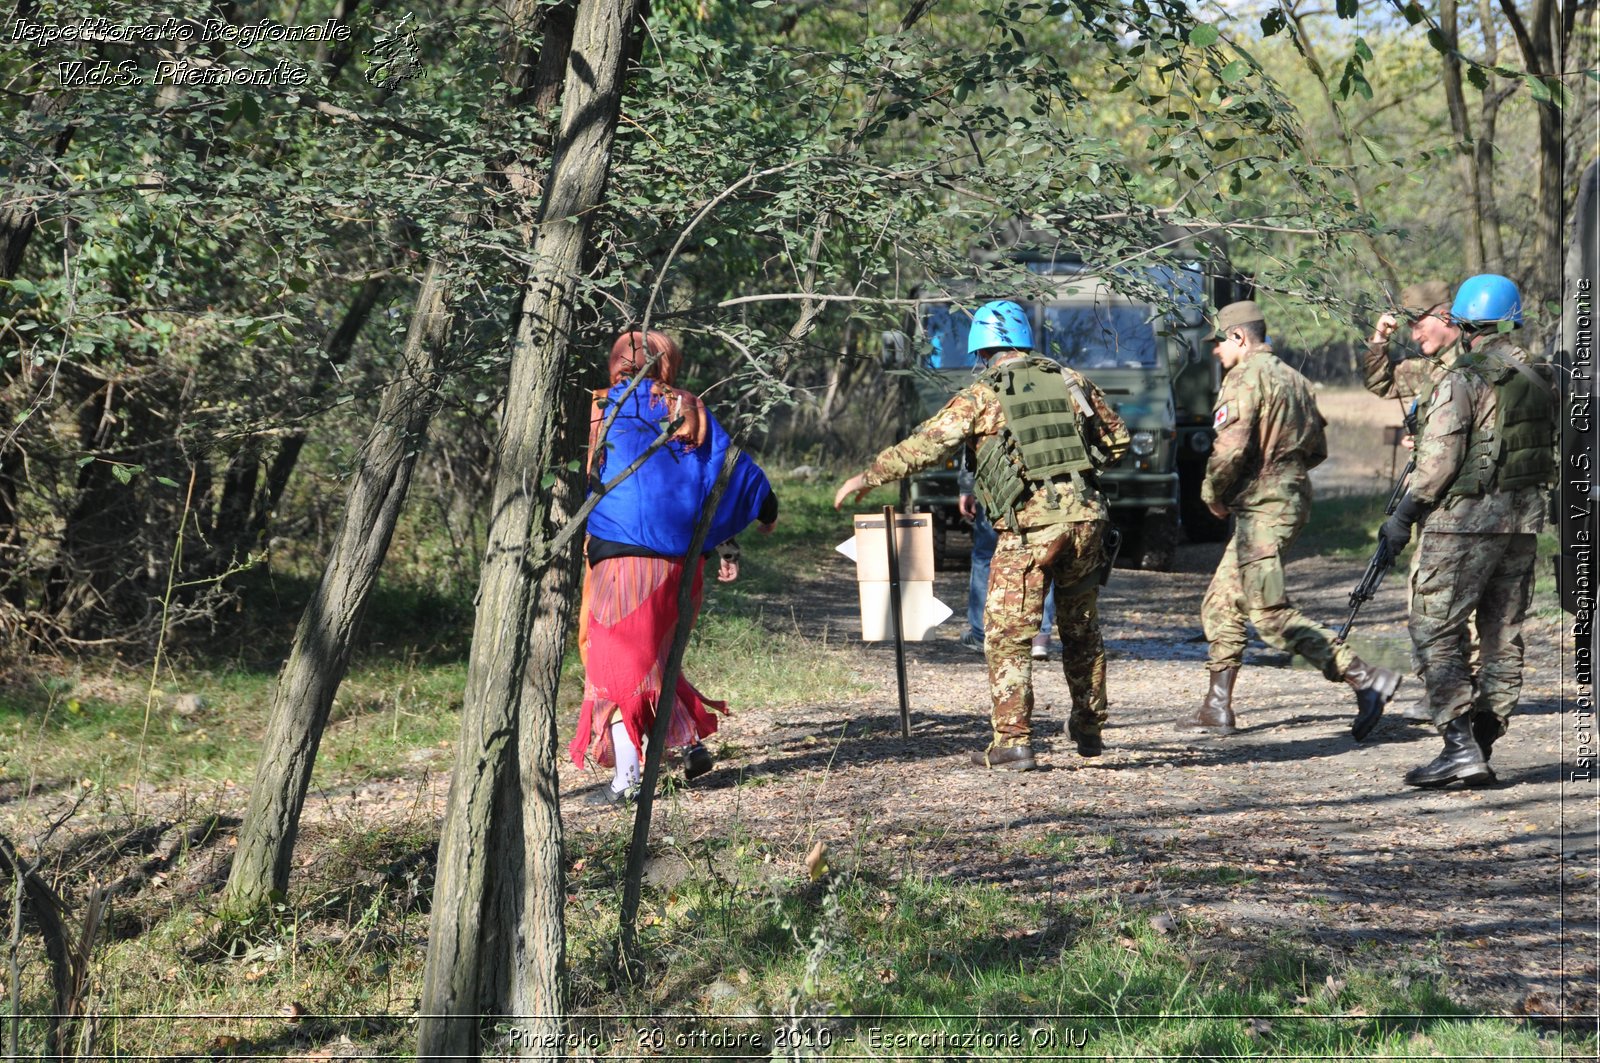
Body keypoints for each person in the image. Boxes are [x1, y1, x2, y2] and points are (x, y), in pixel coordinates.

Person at [835, 300, 1128, 771]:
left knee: (1008, 634)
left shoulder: (981, 395)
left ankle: (1013, 742)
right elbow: (1117, 442)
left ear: (981, 349)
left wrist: (867, 477)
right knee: (1081, 628)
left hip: (1029, 530)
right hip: (1088, 522)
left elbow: (926, 445)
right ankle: (1089, 726)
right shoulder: (1073, 380)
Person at [571, 330, 777, 804]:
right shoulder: (687, 409)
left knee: (615, 665)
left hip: (621, 562)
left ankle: (626, 782)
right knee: (654, 659)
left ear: (616, 362)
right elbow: (722, 474)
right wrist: (740, 531)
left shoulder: (603, 409)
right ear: (668, 363)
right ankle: (688, 742)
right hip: (679, 568)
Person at [1178, 301, 1401, 739]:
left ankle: (1364, 675)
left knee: (1266, 612)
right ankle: (1216, 707)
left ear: (1239, 337)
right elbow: (1317, 448)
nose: (1216, 352)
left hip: (1264, 505)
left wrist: (1213, 494)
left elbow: (1230, 449)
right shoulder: (1295, 378)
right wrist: (1284, 474)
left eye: (1220, 342)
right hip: (1286, 498)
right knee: (1221, 600)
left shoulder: (1244, 377)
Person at [1379, 275, 1556, 788]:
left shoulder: (1463, 378)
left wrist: (1403, 516)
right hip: (1522, 526)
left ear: (1463, 321)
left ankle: (1459, 747)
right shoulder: (1541, 376)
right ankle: (1480, 742)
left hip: (1462, 526)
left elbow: (1437, 464)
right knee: (1502, 635)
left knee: (1435, 631)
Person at [956, 475, 1056, 661]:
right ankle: (1040, 636)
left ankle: (980, 633)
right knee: (1042, 556)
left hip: (994, 488)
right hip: (1041, 490)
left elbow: (971, 453)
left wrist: (966, 489)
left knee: (985, 556)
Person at [1365, 280, 1452, 402]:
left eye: (1420, 327)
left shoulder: (1476, 359)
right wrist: (1379, 339)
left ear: (1444, 317)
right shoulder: (1429, 367)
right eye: (1411, 328)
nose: (1415, 337)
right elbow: (1380, 384)